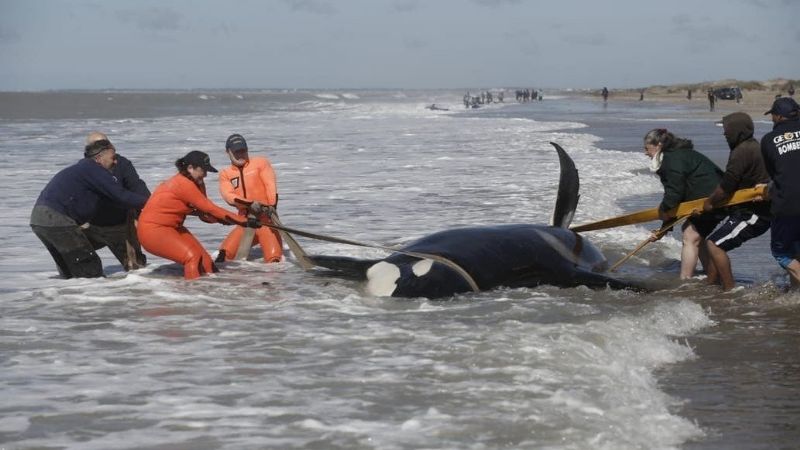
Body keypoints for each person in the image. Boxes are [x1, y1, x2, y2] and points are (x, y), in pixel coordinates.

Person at [30, 139, 148, 278]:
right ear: (98, 158)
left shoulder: (82, 169)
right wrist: (151, 203)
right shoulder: (94, 170)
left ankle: (69, 295)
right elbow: (120, 195)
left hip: (39, 220)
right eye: (113, 158)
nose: (116, 162)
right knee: (89, 266)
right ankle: (95, 295)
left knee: (70, 270)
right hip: (56, 219)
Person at [137, 151, 258, 280]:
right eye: (203, 170)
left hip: (173, 228)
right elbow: (210, 208)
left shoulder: (198, 183)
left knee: (206, 264)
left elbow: (205, 214)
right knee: (192, 257)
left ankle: (213, 294)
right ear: (190, 168)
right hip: (153, 231)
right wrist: (243, 221)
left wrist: (222, 219)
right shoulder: (183, 184)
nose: (205, 174)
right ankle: (193, 294)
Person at [702, 112, 771, 291]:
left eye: (727, 130)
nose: (724, 134)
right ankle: (710, 286)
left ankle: (729, 291)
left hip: (755, 214)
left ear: (737, 131)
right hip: (745, 210)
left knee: (714, 245)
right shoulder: (752, 146)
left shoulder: (742, 151)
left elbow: (727, 185)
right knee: (714, 244)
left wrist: (709, 203)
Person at [643, 128, 724, 279]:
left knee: (690, 236)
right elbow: (676, 198)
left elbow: (674, 194)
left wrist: (663, 214)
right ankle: (712, 275)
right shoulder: (675, 155)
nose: (645, 153)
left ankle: (685, 280)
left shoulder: (672, 159)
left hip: (713, 199)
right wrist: (664, 228)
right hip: (710, 198)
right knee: (696, 238)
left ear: (658, 145)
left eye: (647, 148)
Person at [82, 132, 150, 271]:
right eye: (97, 145)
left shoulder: (122, 164)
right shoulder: (84, 168)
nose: (104, 146)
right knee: (73, 258)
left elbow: (138, 188)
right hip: (91, 225)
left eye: (105, 143)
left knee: (137, 269)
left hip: (118, 225)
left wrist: (141, 215)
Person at [216, 134, 283, 263]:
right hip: (245, 223)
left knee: (274, 261)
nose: (241, 154)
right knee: (223, 257)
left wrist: (271, 206)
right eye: (236, 152)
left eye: (243, 150)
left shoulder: (260, 163)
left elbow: (270, 185)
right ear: (227, 152)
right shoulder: (225, 174)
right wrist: (250, 204)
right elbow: (228, 195)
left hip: (266, 221)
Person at [760, 97, 800, 288]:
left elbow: (773, 174)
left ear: (777, 116)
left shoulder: (768, 140)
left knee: (782, 253)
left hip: (788, 204)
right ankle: (795, 294)